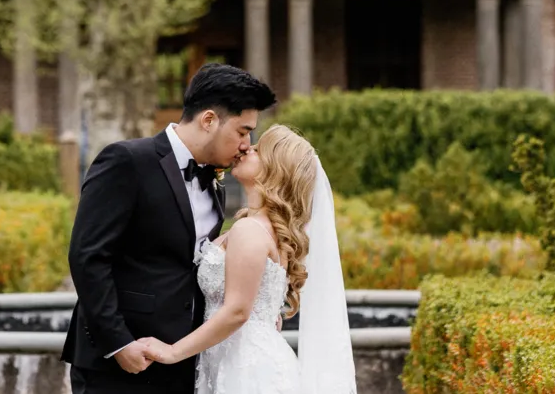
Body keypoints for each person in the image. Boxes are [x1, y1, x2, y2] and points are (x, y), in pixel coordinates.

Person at [61, 63, 277, 394]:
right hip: (119, 365)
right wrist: (118, 343)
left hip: (183, 364)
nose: (247, 144)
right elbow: (88, 256)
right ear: (208, 120)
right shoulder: (127, 161)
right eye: (243, 131)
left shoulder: (214, 185)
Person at [138, 124, 357, 394]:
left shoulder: (250, 230)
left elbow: (238, 312)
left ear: (275, 170)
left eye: (257, 150)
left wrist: (172, 352)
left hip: (247, 370)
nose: (245, 148)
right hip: (246, 360)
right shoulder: (268, 229)